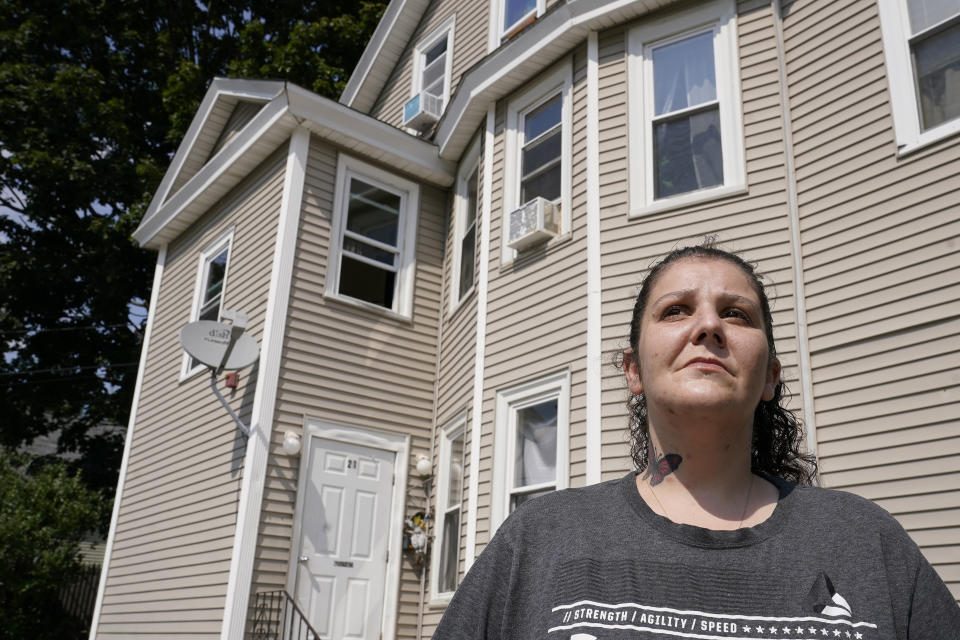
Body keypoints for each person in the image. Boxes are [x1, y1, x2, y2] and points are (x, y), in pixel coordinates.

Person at [432, 243, 960, 639]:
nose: (708, 325)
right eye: (676, 310)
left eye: (735, 313)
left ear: (771, 376)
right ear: (633, 370)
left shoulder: (866, 541)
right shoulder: (539, 539)